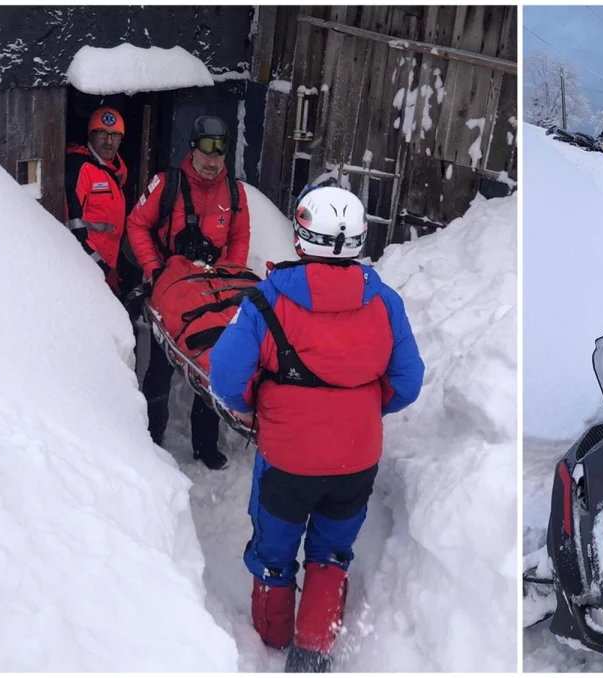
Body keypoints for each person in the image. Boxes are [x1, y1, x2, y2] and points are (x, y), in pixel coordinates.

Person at [208, 186, 424, 669]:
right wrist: (364, 408)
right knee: (331, 552)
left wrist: (251, 408)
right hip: (356, 459)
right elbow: (408, 382)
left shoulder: (265, 301)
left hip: (287, 460)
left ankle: (271, 641)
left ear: (301, 236)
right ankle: (313, 653)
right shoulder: (386, 303)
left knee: (274, 550)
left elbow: (225, 375)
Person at [127, 115, 251, 470]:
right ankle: (151, 436)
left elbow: (239, 236)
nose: (213, 161)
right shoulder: (167, 185)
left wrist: (231, 275)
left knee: (211, 356)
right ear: (192, 149)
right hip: (172, 287)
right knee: (162, 366)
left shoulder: (234, 193)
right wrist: (154, 268)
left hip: (212, 288)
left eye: (220, 152)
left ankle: (205, 444)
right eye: (206, 151)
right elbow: (138, 224)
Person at [64, 107, 128, 294]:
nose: (109, 141)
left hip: (111, 261)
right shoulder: (80, 168)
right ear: (90, 134)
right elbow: (73, 228)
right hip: (88, 266)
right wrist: (101, 268)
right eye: (101, 133)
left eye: (115, 135)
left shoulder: (117, 168)